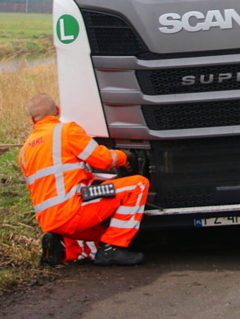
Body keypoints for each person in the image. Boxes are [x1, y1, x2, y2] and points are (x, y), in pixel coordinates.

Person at [18, 94, 149, 266]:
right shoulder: (65, 131)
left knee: (99, 236)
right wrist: (125, 157)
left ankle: (64, 248)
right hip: (73, 211)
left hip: (50, 221)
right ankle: (113, 248)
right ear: (57, 111)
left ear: (32, 120)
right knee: (138, 184)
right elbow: (104, 160)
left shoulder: (25, 150)